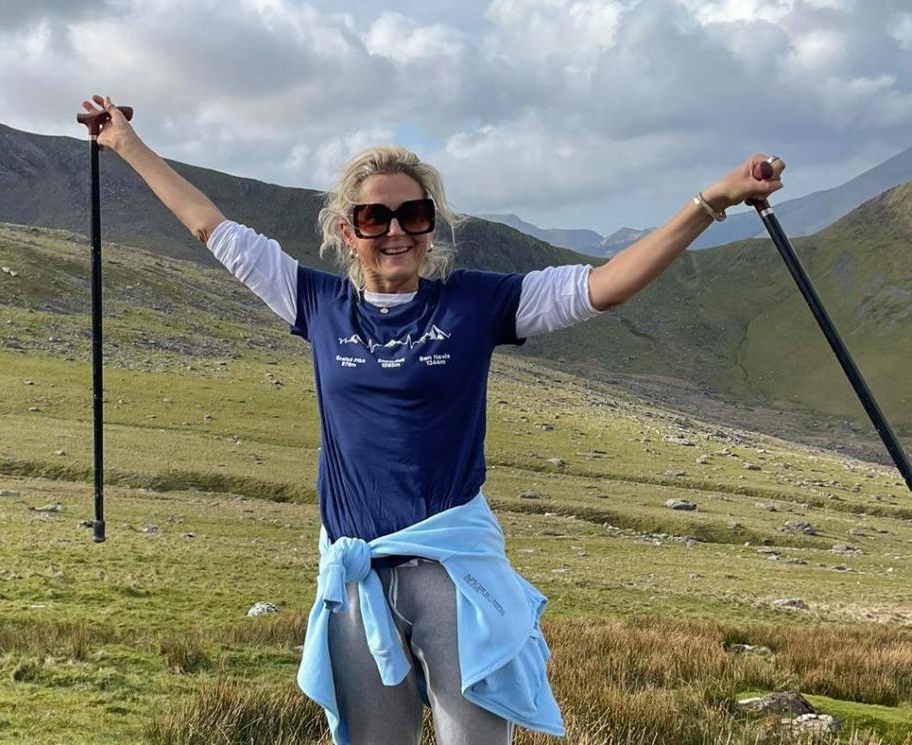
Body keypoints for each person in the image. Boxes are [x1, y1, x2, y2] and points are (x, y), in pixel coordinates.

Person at [80, 94, 784, 745]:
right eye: (373, 217)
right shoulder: (315, 303)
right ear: (344, 230)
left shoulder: (476, 304)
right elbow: (211, 228)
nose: (394, 231)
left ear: (430, 225)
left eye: (412, 215)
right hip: (356, 580)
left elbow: (607, 283)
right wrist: (126, 143)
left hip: (454, 575)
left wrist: (711, 200)